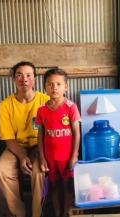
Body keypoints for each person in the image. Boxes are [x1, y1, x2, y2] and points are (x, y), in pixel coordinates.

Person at [0, 61, 50, 217]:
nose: (23, 79)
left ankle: (37, 214)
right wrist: (22, 157)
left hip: (40, 147)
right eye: (19, 75)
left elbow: (49, 132)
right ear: (13, 78)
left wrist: (38, 154)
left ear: (34, 79)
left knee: (38, 171)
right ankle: (19, 212)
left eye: (28, 75)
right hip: (16, 147)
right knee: (1, 169)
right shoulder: (5, 105)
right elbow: (8, 138)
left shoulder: (45, 101)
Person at [35, 68, 81, 217]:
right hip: (50, 158)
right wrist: (42, 157)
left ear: (65, 87)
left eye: (58, 84)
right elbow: (40, 135)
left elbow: (76, 133)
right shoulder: (41, 110)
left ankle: (66, 213)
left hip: (67, 158)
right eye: (50, 84)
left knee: (67, 187)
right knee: (54, 187)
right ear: (44, 87)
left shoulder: (71, 107)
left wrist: (74, 156)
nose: (54, 87)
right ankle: (57, 213)